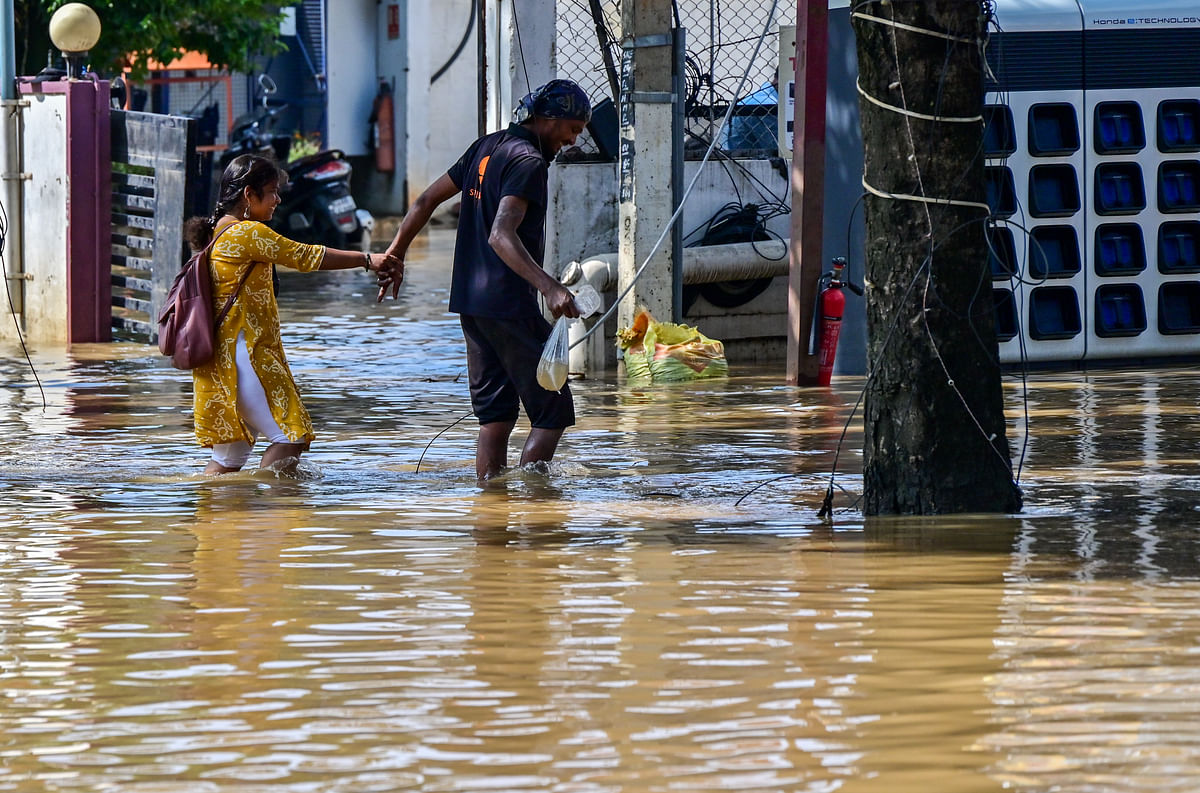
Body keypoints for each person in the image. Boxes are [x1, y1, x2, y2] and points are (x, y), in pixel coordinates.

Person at [378, 79, 591, 481]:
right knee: (553, 411)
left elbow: (426, 200)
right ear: (549, 119)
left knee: (495, 416)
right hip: (509, 304)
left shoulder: (486, 147)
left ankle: (491, 515)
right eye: (573, 129)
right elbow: (501, 234)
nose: (572, 140)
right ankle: (536, 513)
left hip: (471, 304)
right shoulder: (527, 162)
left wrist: (396, 253)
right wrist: (550, 287)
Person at [185, 154, 398, 475]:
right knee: (290, 437)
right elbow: (305, 255)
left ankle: (217, 523)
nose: (278, 199)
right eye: (271, 191)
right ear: (248, 195)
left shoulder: (218, 233)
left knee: (228, 461)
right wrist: (368, 259)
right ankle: (277, 515)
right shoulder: (246, 234)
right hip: (245, 357)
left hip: (223, 360)